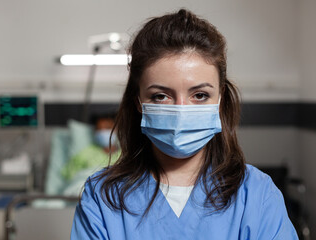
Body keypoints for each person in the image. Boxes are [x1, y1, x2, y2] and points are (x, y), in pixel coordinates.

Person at [70, 9, 298, 240]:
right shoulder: (102, 198)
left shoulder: (257, 195)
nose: (181, 109)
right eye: (161, 96)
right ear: (138, 101)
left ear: (220, 99)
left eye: (199, 95)